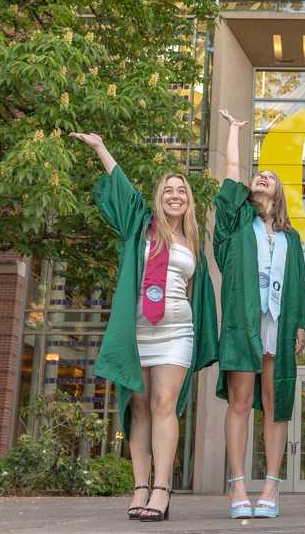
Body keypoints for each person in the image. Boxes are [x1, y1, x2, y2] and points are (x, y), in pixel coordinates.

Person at [72, 132, 218, 523]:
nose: (175, 195)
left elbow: (193, 290)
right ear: (159, 197)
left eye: (181, 191)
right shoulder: (141, 225)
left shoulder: (193, 240)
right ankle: (139, 485)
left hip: (175, 333)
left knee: (164, 404)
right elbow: (120, 187)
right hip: (137, 331)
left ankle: (162, 489)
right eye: (168, 190)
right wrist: (102, 147)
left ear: (189, 200)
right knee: (139, 407)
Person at [214, 109, 305, 520]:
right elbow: (230, 181)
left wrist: (302, 323)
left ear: (280, 192)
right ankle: (237, 483)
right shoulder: (236, 225)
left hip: (279, 323)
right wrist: (235, 133)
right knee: (241, 400)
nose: (262, 176)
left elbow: (300, 283)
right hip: (243, 320)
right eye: (259, 175)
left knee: (275, 402)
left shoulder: (292, 238)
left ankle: (272, 482)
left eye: (270, 175)